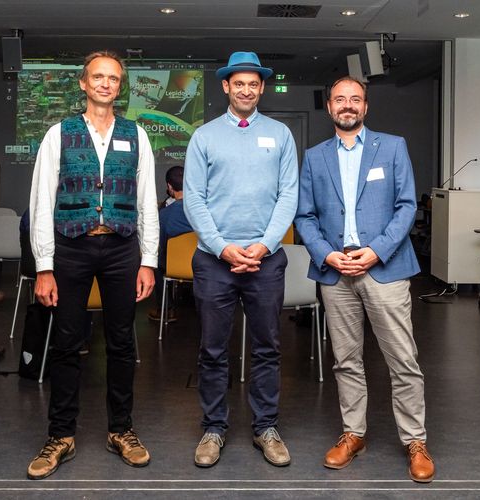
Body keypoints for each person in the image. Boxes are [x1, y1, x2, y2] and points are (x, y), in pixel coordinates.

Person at [294, 76, 435, 483]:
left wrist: (376, 251)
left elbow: (407, 206)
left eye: (356, 99)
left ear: (366, 107)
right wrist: (327, 254)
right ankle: (353, 433)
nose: (348, 105)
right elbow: (305, 216)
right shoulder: (315, 156)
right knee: (346, 361)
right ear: (330, 108)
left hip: (384, 269)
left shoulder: (392, 147)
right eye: (340, 99)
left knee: (403, 360)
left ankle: (415, 440)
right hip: (335, 272)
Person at [27, 50, 159, 480]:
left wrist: (149, 260)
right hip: (70, 248)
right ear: (83, 84)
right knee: (66, 343)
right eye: (98, 77)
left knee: (122, 343)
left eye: (113, 78)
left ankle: (121, 430)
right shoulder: (57, 134)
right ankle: (60, 435)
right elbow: (42, 200)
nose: (105, 83)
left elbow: (147, 204)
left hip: (122, 249)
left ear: (120, 87)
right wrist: (43, 265)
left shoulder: (136, 135)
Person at [184, 51, 298, 468]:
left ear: (262, 88)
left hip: (266, 260)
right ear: (226, 87)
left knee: (267, 347)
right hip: (215, 261)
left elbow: (289, 194)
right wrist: (222, 247)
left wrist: (264, 245)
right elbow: (193, 198)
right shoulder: (205, 136)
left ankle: (266, 427)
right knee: (213, 349)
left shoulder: (281, 134)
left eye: (254, 83)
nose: (246, 90)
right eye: (239, 83)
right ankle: (214, 428)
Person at [147, 165, 193, 322]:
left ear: (169, 187)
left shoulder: (164, 215)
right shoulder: (204, 211)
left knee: (157, 262)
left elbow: (160, 244)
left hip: (175, 268)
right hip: (203, 267)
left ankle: (166, 309)